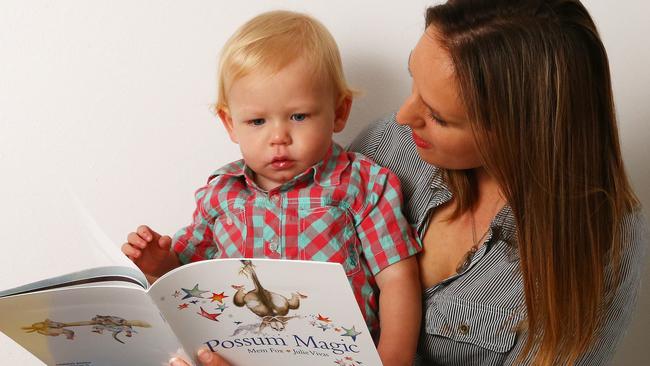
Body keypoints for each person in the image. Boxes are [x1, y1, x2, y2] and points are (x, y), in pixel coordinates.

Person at [168, 0, 648, 365]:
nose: (403, 114)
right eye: (412, 83)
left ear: (519, 131)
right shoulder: (390, 146)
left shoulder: (599, 242)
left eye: (438, 115)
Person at [121, 10, 422, 366]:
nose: (278, 137)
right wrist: (160, 263)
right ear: (230, 124)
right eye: (257, 121)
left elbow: (399, 281)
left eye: (298, 116)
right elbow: (188, 280)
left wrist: (391, 361)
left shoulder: (362, 186)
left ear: (339, 112)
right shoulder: (222, 195)